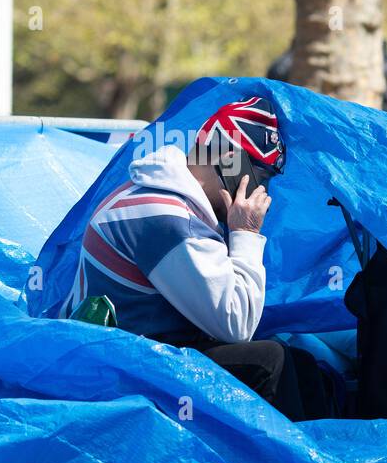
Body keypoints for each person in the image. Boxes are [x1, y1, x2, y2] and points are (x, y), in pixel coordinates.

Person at [60, 96, 338, 421]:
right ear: (231, 162)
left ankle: (323, 461)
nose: (264, 194)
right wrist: (245, 234)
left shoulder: (157, 197)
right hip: (124, 369)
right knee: (268, 361)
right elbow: (236, 324)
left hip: (126, 353)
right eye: (261, 178)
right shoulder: (169, 217)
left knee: (301, 365)